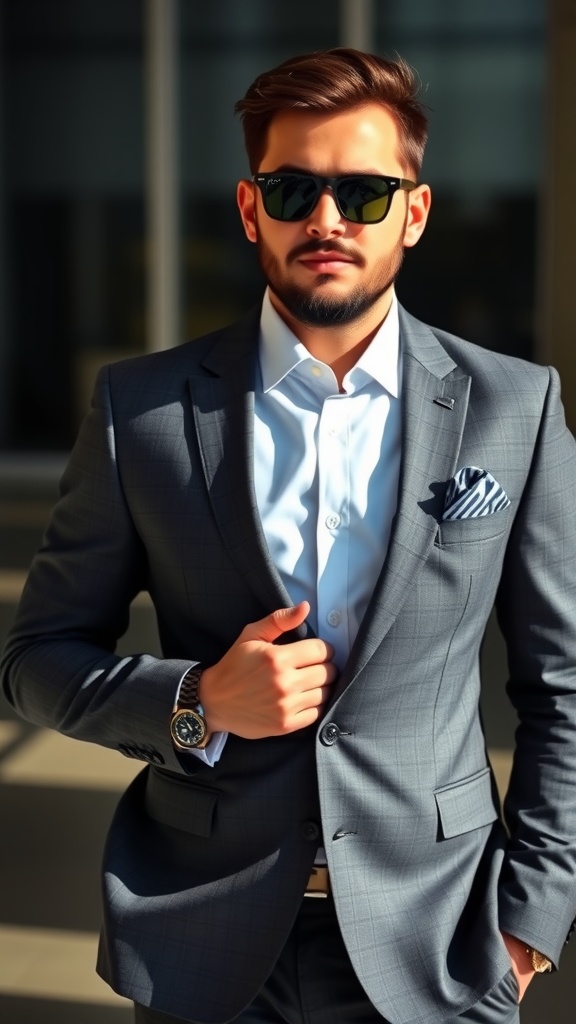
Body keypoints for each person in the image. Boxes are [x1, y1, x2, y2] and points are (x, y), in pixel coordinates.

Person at [1, 47, 576, 1024]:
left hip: (441, 944)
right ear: (248, 206)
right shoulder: (139, 411)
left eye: (362, 192)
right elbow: (34, 661)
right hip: (207, 948)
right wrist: (197, 701)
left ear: (416, 212)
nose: (327, 220)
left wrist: (532, 916)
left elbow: (562, 681)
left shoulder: (512, 407)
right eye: (294, 187)